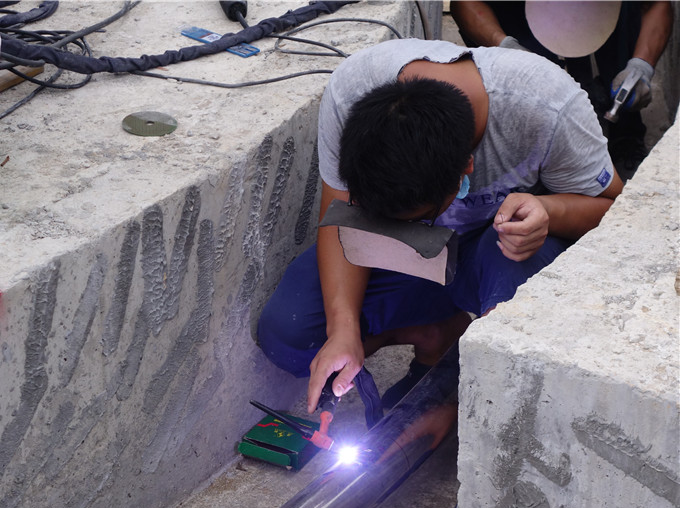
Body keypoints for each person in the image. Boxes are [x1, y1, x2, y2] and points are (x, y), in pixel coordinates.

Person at [257, 36, 623, 425]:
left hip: (493, 254)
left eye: (418, 217)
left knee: (510, 353)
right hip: (411, 264)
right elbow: (341, 218)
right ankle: (436, 333)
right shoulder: (351, 94)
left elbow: (617, 210)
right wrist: (342, 330)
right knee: (290, 334)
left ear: (466, 168)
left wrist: (549, 210)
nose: (410, 227)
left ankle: (473, 380)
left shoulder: (547, 107)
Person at [450, 1, 674, 180]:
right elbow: (464, 3)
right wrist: (505, 47)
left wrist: (642, 65)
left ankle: (625, 137)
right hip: (520, 16)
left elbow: (657, 4)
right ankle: (538, 144)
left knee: (628, 8)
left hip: (609, 14)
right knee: (538, 98)